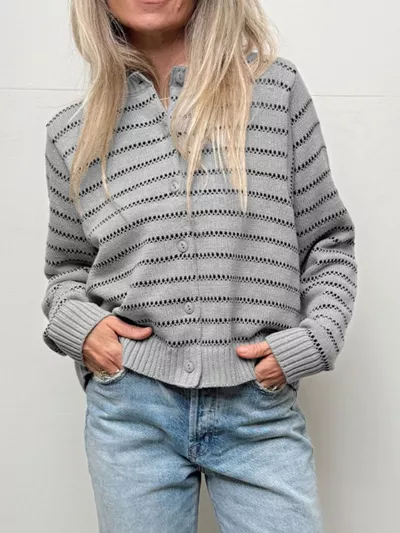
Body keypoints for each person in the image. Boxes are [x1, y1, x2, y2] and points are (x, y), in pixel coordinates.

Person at [41, 1, 358, 531]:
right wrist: (85, 330)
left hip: (258, 407)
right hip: (131, 410)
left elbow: (328, 241)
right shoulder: (70, 133)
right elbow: (67, 269)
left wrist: (315, 340)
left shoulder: (274, 92)